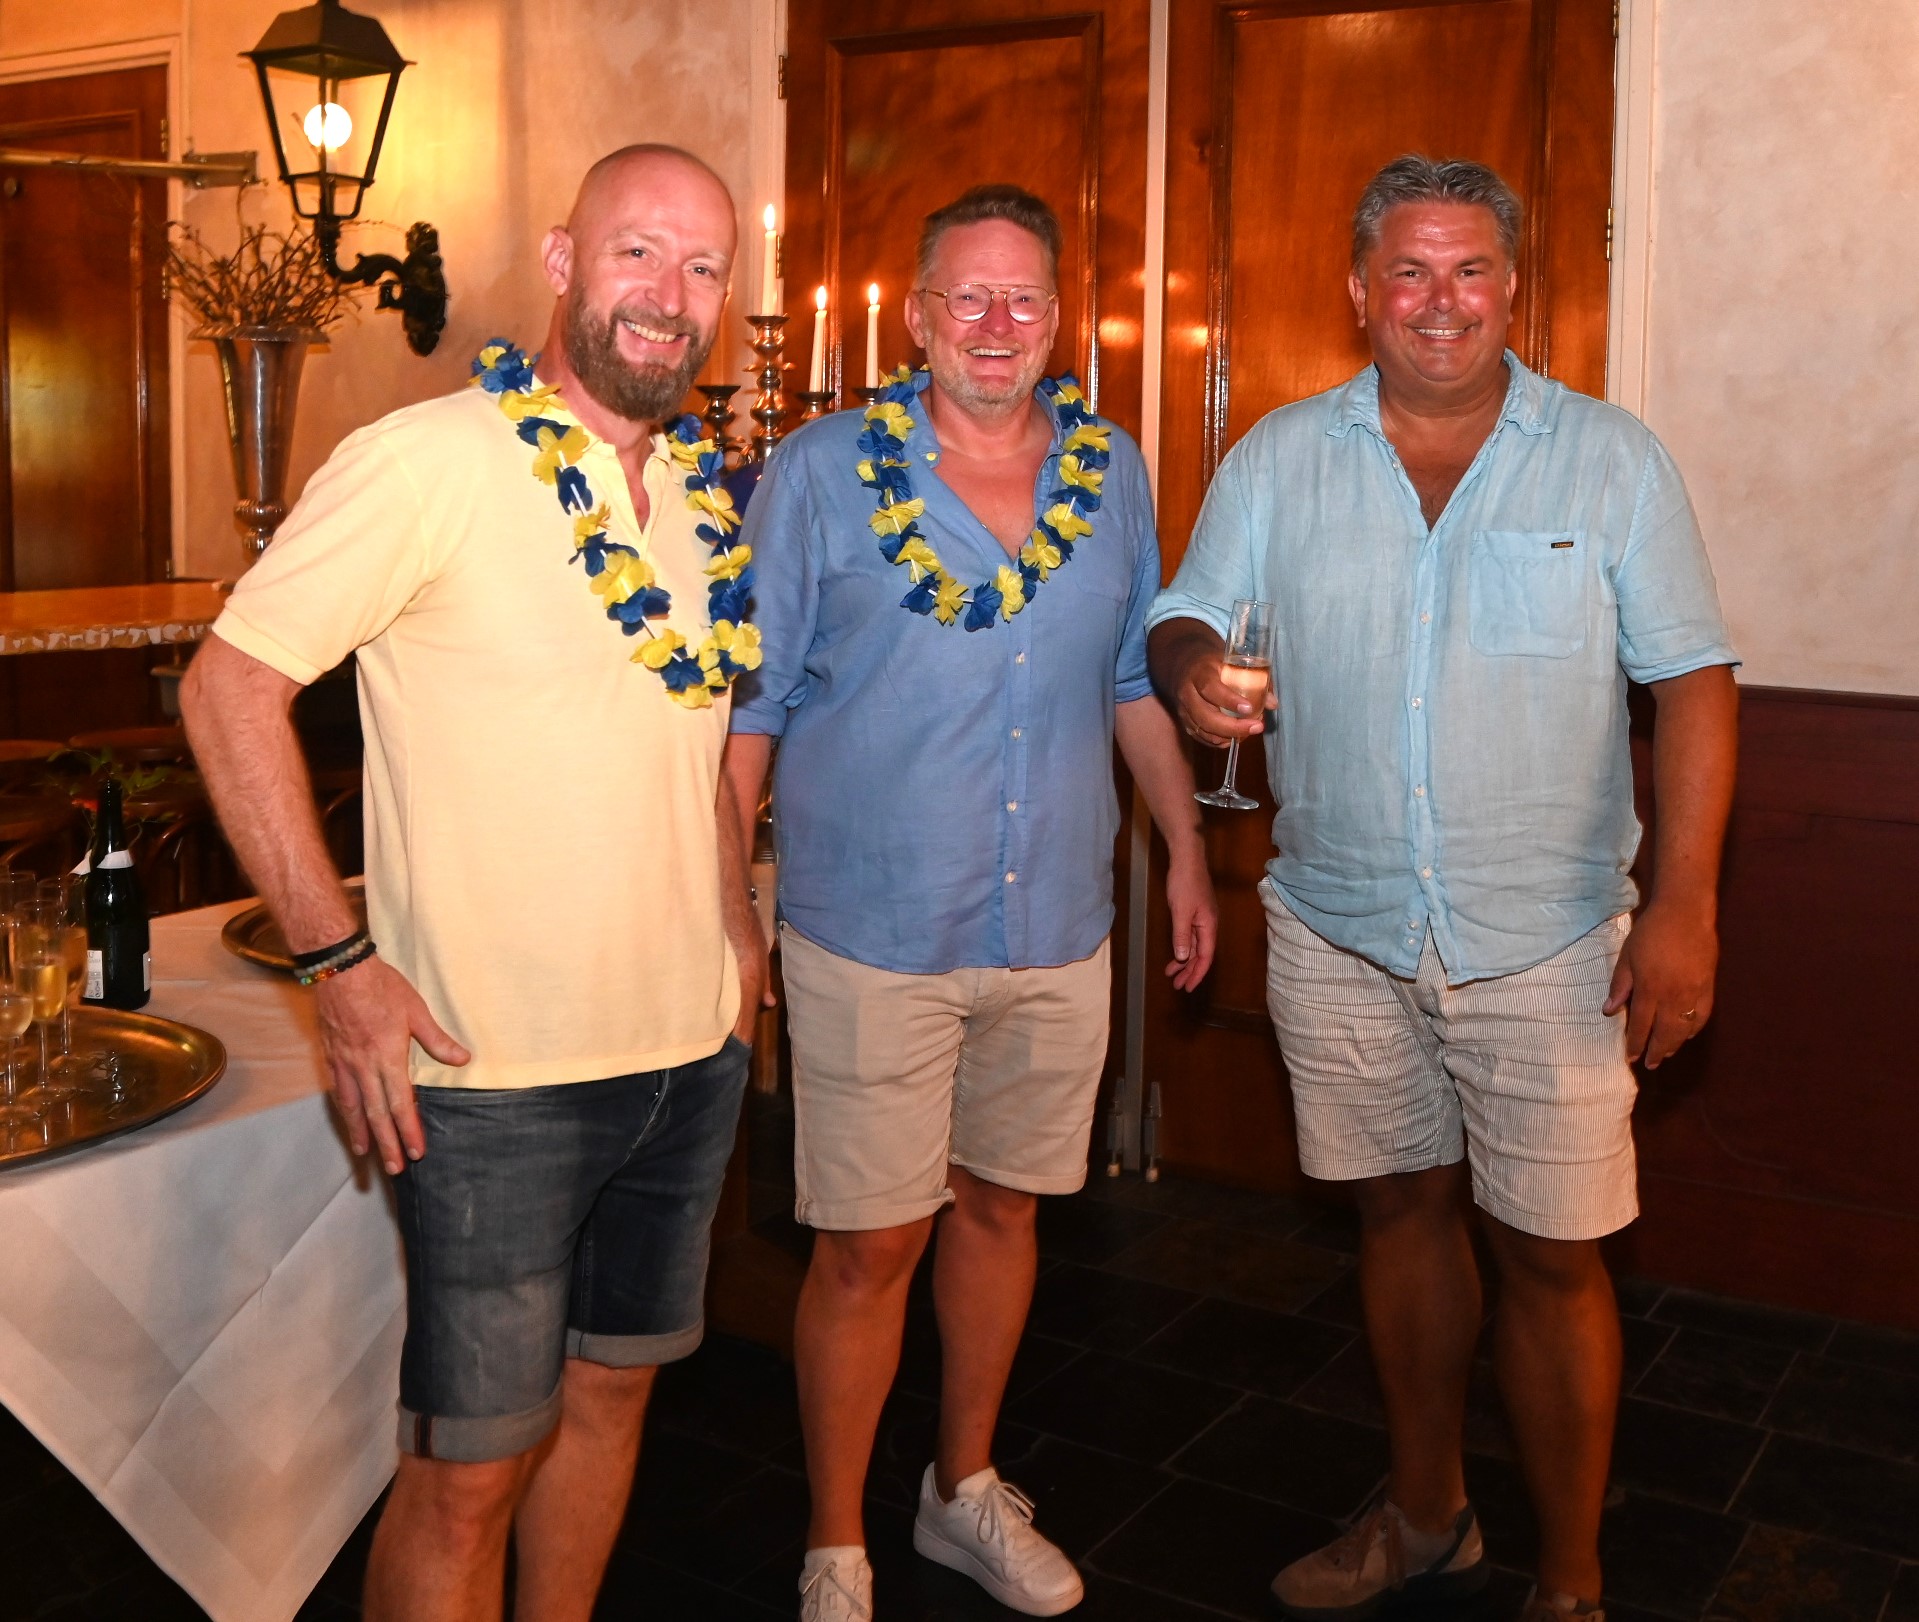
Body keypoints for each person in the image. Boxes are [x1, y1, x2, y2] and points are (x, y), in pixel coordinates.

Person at [1147, 155, 1739, 1622]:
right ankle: (1428, 1519)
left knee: (1552, 1257)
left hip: (1549, 945)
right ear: (1360, 287)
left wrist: (1685, 905)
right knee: (1398, 1215)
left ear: (1512, 286)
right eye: (1408, 270)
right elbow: (1186, 613)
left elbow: (1696, 684)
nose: (1439, 300)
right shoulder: (1280, 456)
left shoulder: (1611, 460)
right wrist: (1194, 671)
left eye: (1469, 269)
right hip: (1339, 928)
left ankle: (1574, 1582)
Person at [181, 145, 766, 1622]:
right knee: (466, 1476)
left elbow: (695, 747)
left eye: (703, 267)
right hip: (490, 1078)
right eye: (638, 253)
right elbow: (229, 689)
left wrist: (737, 949)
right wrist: (337, 966)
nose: (671, 294)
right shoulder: (424, 461)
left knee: (613, 1405)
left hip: (685, 1057)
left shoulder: (700, 500)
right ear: (564, 262)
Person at [726, 183, 1217, 1621]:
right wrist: (730, 908)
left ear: (1058, 319)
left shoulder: (1111, 471)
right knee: (870, 1245)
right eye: (968, 296)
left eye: (1024, 298)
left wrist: (1187, 845)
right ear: (920, 315)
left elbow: (1129, 681)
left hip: (1057, 923)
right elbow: (751, 709)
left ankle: (962, 1486)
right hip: (873, 927)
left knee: (1004, 1211)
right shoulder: (821, 472)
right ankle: (835, 1540)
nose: (996, 323)